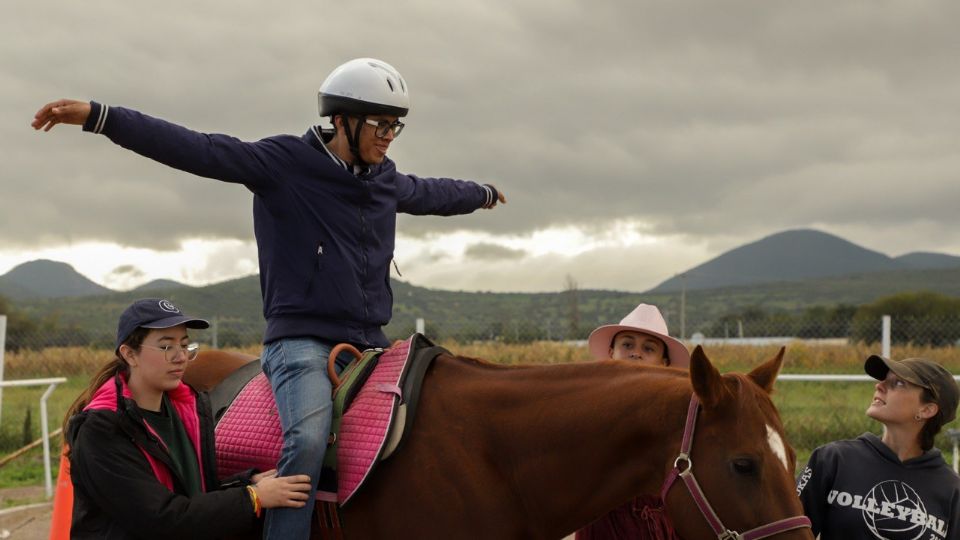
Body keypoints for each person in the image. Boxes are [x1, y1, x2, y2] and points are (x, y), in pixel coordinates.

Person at [33, 58, 505, 539]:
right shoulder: (284, 164)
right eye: (380, 124)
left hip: (370, 342)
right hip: (301, 342)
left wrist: (481, 193)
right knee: (307, 438)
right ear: (342, 120)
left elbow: (429, 193)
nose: (389, 135)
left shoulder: (383, 178)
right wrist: (102, 117)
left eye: (396, 125)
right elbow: (198, 149)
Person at [64, 298, 312, 539]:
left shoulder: (186, 412)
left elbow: (189, 492)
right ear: (130, 354)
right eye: (166, 346)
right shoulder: (102, 430)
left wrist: (245, 483)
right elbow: (162, 518)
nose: (180, 357)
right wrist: (252, 497)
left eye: (184, 345)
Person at [796, 355, 960, 540]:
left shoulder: (951, 489)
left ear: (926, 410)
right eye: (883, 380)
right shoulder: (833, 460)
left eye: (898, 383)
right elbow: (785, 532)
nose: (879, 386)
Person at [576, 303, 690, 540]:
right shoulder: (590, 407)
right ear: (611, 354)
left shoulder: (678, 417)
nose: (635, 353)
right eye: (627, 344)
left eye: (649, 348)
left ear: (664, 363)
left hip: (659, 529)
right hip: (603, 529)